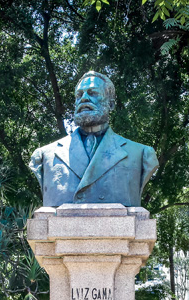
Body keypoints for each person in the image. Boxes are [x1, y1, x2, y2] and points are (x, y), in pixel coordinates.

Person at [29, 71, 159, 207]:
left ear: (111, 104)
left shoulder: (141, 154)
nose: (84, 98)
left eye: (93, 93)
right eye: (79, 95)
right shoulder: (44, 155)